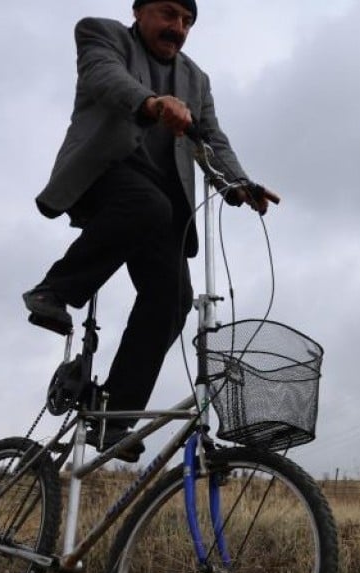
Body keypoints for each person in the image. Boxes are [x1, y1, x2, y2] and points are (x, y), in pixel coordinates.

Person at [24, 0, 279, 461]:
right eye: (167, 15)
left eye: (186, 22)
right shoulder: (101, 34)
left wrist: (238, 183)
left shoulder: (196, 79)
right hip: (104, 177)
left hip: (159, 206)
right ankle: (52, 291)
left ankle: (116, 416)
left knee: (174, 298)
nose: (177, 28)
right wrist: (152, 103)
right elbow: (105, 79)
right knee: (147, 205)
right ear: (139, 12)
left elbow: (212, 138)